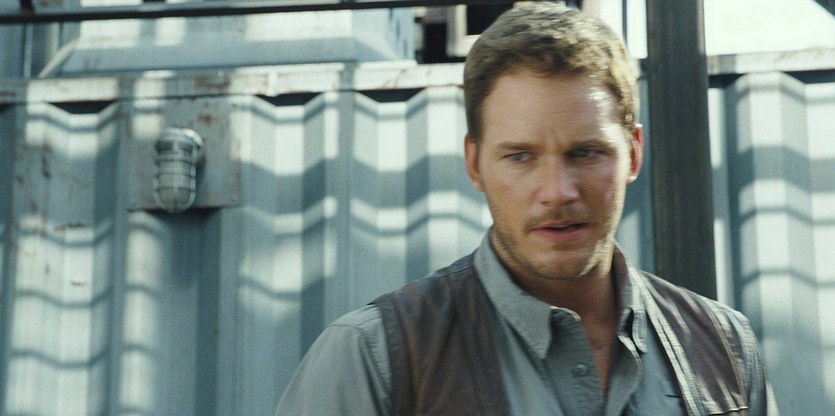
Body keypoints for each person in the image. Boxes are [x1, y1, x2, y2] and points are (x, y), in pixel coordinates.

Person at [276, 3, 778, 415]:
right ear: (474, 163)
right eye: (520, 156)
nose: (557, 191)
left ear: (633, 153)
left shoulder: (724, 349)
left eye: (585, 152)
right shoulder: (375, 359)